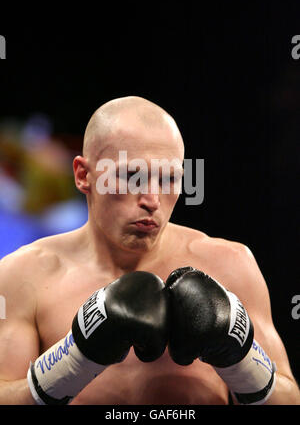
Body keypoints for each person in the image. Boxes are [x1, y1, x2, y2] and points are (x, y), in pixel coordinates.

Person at [0, 96, 299, 405]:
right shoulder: (24, 275)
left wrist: (241, 358)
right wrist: (74, 359)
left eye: (170, 178)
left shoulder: (230, 265)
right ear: (83, 175)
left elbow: (290, 400)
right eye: (132, 176)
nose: (152, 199)